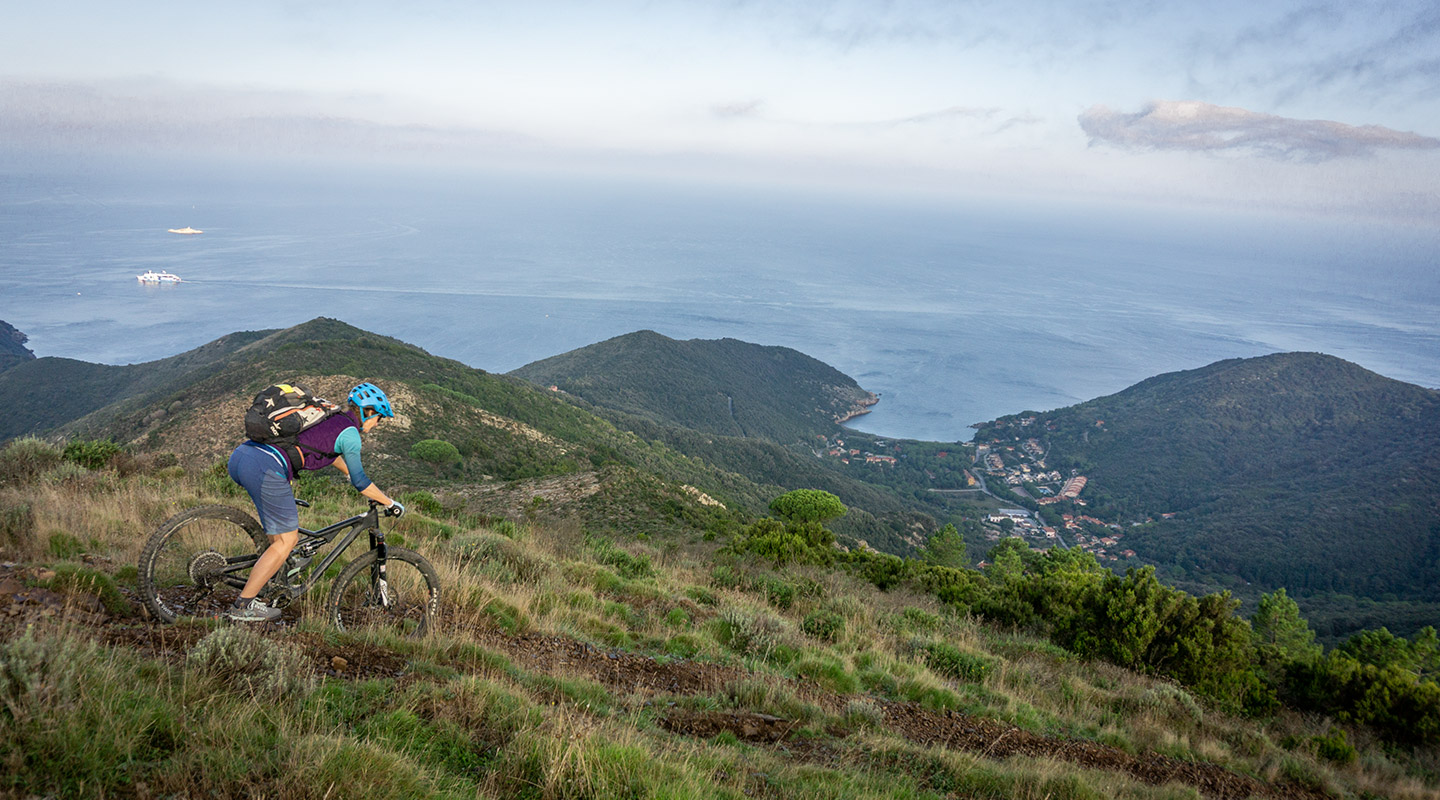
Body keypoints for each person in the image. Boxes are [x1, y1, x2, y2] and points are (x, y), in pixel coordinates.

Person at [224, 381, 405, 622]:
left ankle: (267, 584)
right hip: (265, 468)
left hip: (244, 457)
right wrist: (389, 502)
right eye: (379, 418)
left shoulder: (331, 416)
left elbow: (327, 453)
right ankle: (242, 607)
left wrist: (347, 473)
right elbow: (362, 483)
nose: (377, 424)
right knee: (288, 540)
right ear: (368, 412)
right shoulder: (350, 434)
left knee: (279, 542)